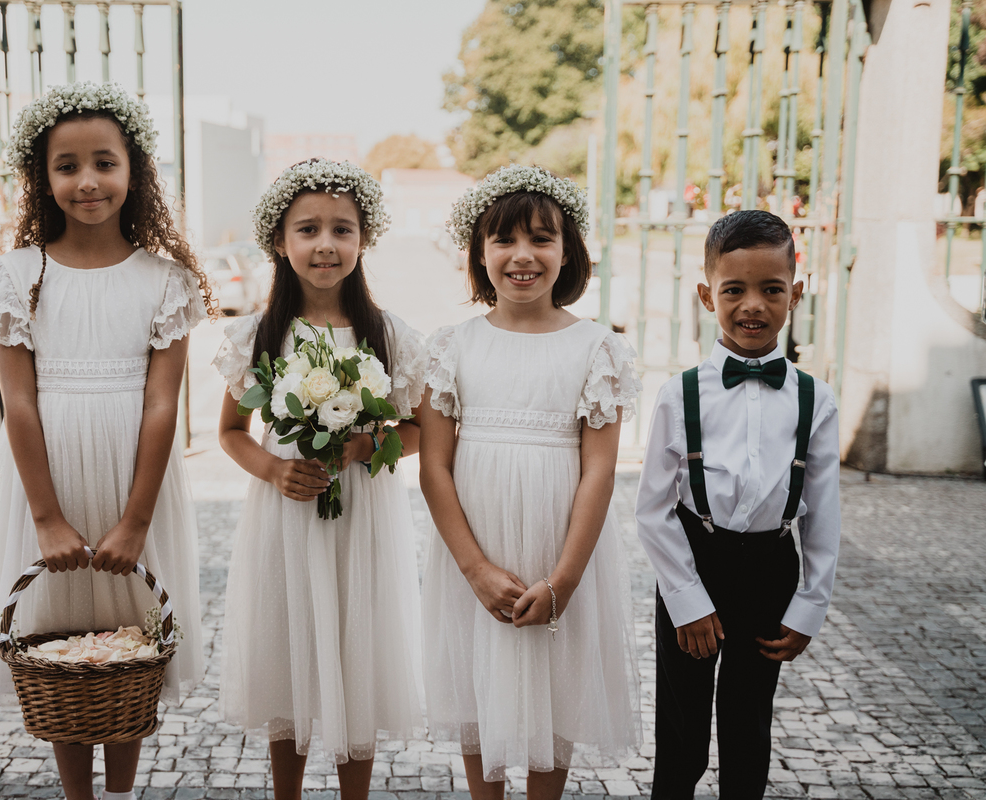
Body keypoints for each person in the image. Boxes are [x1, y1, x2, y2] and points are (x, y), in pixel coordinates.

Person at [0, 81, 212, 800]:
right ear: (42, 180)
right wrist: (44, 516)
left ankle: (122, 794)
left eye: (104, 162)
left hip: (135, 482)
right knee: (62, 643)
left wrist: (137, 520)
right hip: (47, 481)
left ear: (133, 170)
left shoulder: (164, 281)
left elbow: (164, 406)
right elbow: (17, 402)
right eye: (66, 166)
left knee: (128, 640)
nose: (87, 181)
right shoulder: (16, 277)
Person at [419, 165, 642, 800]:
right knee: (477, 683)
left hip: (559, 547)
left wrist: (564, 578)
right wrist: (474, 569)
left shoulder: (598, 348)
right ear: (478, 253)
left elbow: (599, 468)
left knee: (554, 687)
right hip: (474, 548)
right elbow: (434, 465)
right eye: (504, 240)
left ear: (567, 250)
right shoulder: (451, 347)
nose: (523, 256)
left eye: (542, 239)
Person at [213, 159, 427, 800]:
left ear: (364, 240)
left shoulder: (390, 337)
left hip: (361, 517)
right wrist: (276, 468)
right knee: (287, 652)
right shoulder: (259, 335)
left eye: (343, 229)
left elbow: (418, 432)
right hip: (285, 515)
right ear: (281, 241)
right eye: (308, 230)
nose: (326, 245)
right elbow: (230, 432)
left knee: (354, 656)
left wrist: (366, 444)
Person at [635, 209, 841, 799]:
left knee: (749, 725)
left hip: (771, 569)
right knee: (683, 726)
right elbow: (653, 508)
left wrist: (808, 608)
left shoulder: (815, 399)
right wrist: (685, 599)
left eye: (771, 290)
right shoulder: (681, 394)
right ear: (707, 295)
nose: (753, 305)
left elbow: (823, 515)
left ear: (794, 294)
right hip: (695, 561)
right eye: (734, 290)